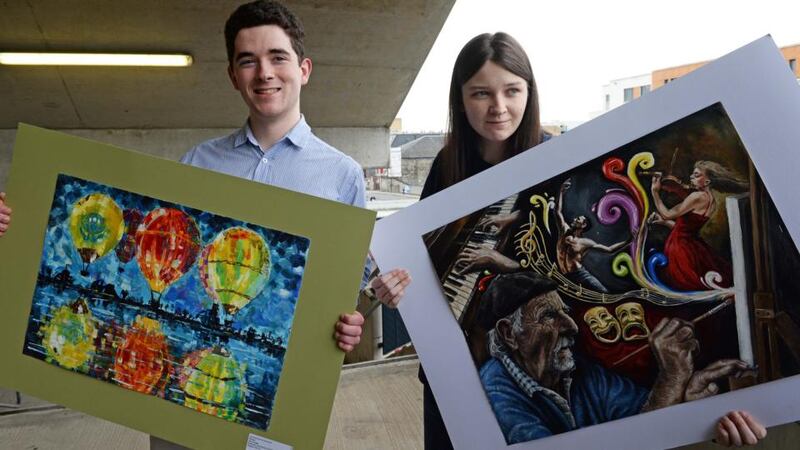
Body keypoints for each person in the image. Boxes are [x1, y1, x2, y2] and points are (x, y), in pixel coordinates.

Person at [371, 33, 766, 449]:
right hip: (451, 366)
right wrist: (396, 285)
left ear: (530, 92)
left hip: (532, 362)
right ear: (460, 98)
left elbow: (573, 278)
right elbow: (426, 260)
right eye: (480, 94)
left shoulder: (562, 160)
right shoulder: (446, 165)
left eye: (512, 91)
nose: (498, 108)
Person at [479, 271, 754, 444]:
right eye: (549, 316)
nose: (572, 326)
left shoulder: (579, 371)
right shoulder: (493, 395)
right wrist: (672, 378)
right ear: (509, 334)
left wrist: (685, 401)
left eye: (565, 312)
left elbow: (643, 418)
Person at [650, 161, 748, 291]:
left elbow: (667, 214)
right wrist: (665, 223)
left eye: (696, 175)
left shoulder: (697, 196)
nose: (691, 177)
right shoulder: (712, 200)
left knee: (683, 285)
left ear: (707, 181)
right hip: (692, 246)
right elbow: (685, 230)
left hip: (680, 248)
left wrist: (655, 192)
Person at [555, 178, 629, 293]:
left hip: (580, 275)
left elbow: (609, 249)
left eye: (578, 219)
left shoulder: (585, 242)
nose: (575, 219)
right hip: (564, 276)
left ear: (583, 225)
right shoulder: (564, 230)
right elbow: (557, 212)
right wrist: (561, 192)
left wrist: (629, 240)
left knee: (604, 292)